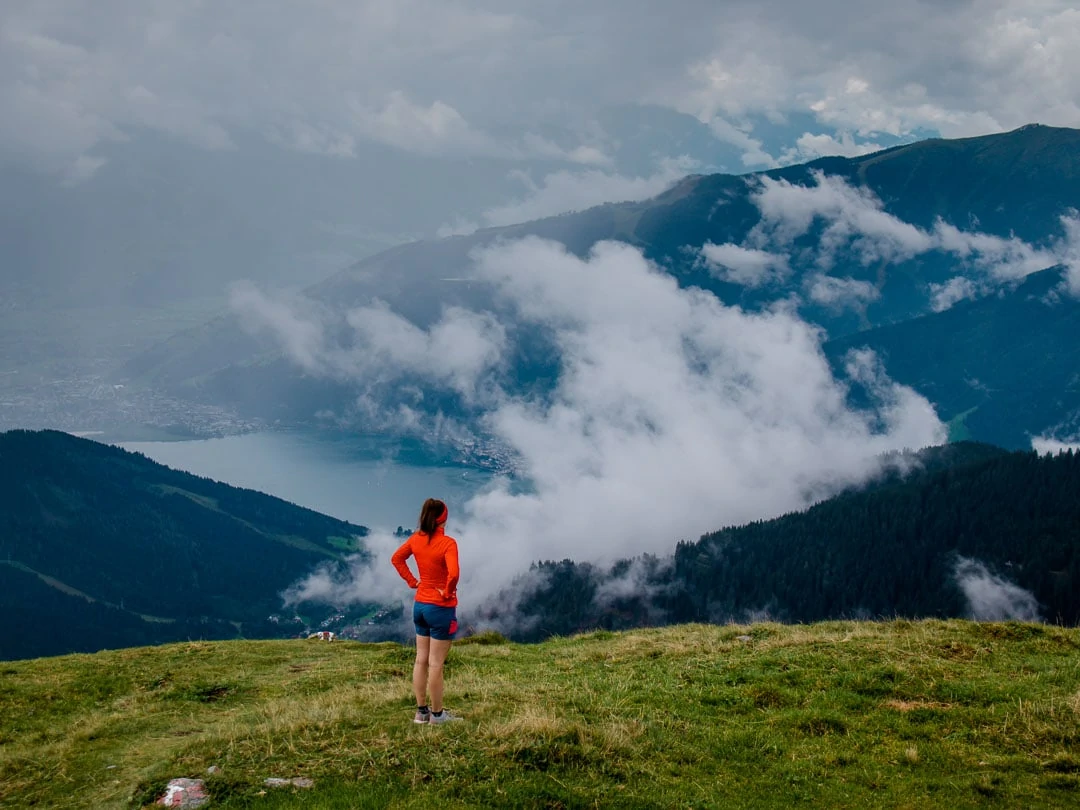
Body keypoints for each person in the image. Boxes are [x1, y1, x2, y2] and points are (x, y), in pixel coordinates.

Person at [391, 498, 463, 725]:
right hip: (440, 608)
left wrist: (413, 582)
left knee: (420, 660)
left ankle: (421, 712)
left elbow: (396, 559)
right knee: (435, 663)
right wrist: (447, 592)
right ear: (443, 519)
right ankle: (438, 715)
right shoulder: (448, 543)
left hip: (420, 606)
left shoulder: (416, 539)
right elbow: (453, 574)